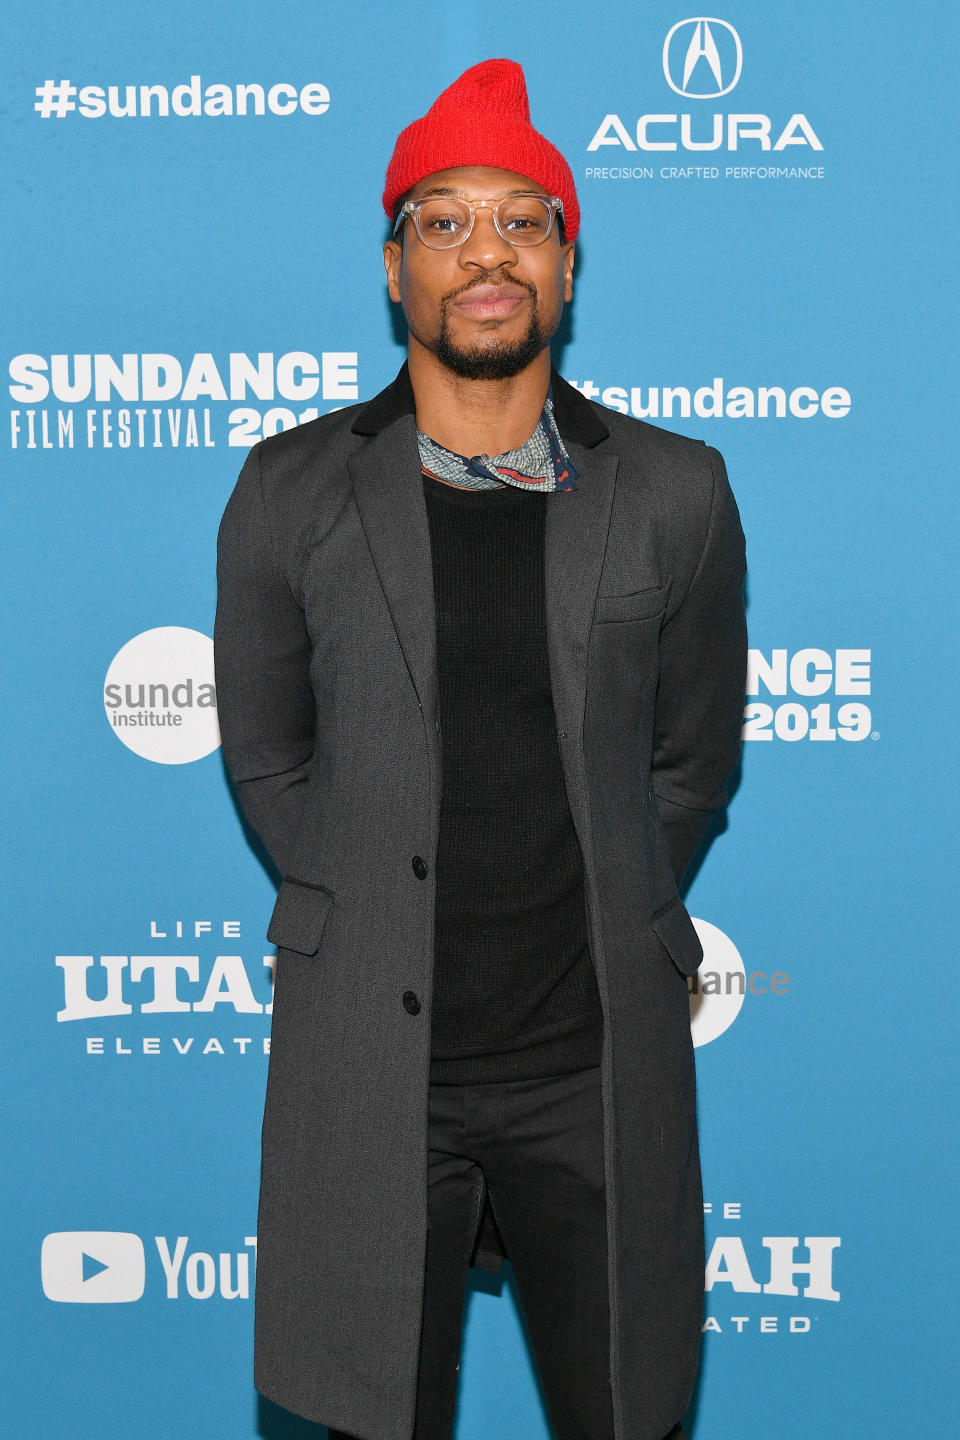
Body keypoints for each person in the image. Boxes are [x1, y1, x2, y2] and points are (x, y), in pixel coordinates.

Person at [214, 57, 747, 1440]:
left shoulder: (676, 490)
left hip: (598, 1062)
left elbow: (692, 760)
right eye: (442, 219)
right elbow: (270, 758)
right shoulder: (290, 490)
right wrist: (369, 894)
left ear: (566, 263)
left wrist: (626, 895)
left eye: (523, 217)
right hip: (370, 1068)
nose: (485, 251)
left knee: (626, 1414)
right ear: (396, 269)